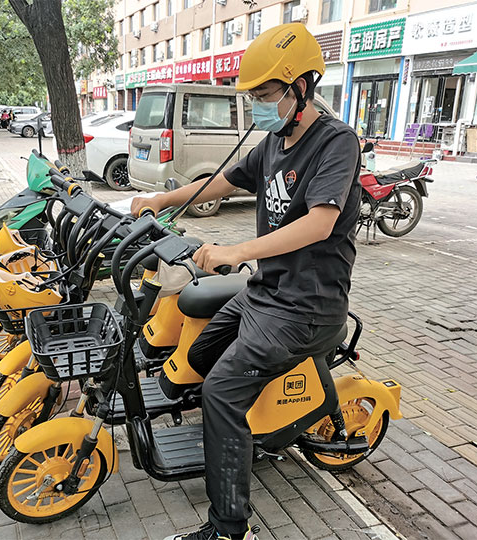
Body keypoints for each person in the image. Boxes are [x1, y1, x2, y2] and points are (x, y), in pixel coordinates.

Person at [131, 23, 362, 540]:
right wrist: (162, 200)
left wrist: (235, 251)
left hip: (305, 309)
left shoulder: (336, 142)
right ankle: (229, 438)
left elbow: (320, 223)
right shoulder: (274, 140)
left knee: (219, 393)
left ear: (299, 87)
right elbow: (224, 180)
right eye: (254, 96)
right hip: (264, 293)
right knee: (195, 355)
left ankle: (230, 528)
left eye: (264, 94)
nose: (258, 105)